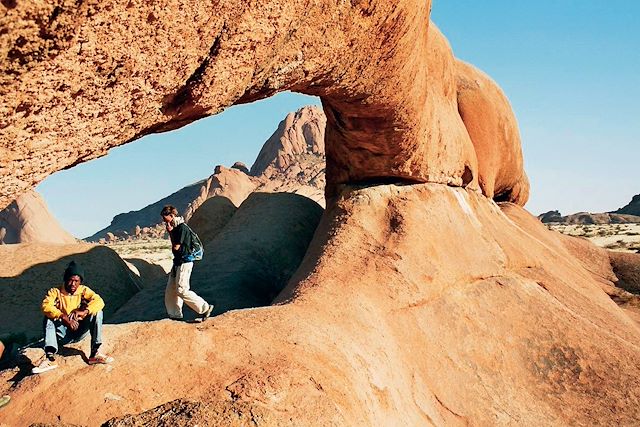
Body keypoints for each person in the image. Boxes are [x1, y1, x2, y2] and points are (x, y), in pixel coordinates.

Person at [32, 261, 113, 374]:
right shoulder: (55, 292)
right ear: (65, 279)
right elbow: (46, 306)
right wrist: (63, 317)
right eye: (70, 280)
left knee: (98, 312)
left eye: (76, 281)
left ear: (80, 282)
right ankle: (50, 358)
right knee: (48, 318)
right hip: (63, 334)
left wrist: (84, 311)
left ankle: (95, 353)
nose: (73, 284)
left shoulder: (83, 291)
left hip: (80, 330)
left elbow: (99, 301)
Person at [160, 205, 213, 322]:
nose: (165, 222)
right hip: (178, 262)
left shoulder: (182, 228)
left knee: (181, 289)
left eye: (166, 219)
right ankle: (175, 315)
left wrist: (170, 233)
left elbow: (176, 247)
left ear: (172, 216)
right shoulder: (176, 228)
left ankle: (205, 308)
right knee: (171, 290)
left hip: (185, 262)